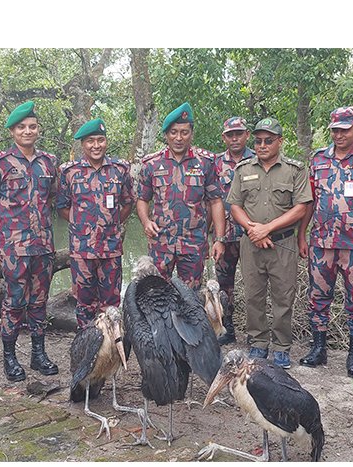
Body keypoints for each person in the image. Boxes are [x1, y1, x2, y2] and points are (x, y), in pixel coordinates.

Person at [297, 107, 353, 378]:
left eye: (345, 130)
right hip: (322, 242)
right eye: (335, 130)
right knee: (318, 298)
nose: (339, 135)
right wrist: (303, 234)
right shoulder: (319, 159)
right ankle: (319, 348)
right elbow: (310, 201)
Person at [0, 101, 59, 382]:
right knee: (13, 303)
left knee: (39, 302)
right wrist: (2, 230)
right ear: (12, 131)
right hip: (14, 248)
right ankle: (10, 357)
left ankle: (38, 354)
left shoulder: (49, 162)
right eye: (22, 127)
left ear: (38, 130)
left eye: (32, 127)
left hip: (43, 246)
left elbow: (51, 199)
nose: (28, 131)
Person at [227, 117, 311, 368]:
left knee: (283, 297)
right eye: (259, 141)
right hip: (251, 244)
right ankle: (258, 343)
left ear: (280, 141)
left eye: (269, 140)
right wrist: (253, 229)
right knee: (253, 295)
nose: (263, 145)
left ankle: (282, 346)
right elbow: (235, 206)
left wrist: (267, 229)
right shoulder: (243, 170)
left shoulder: (295, 170)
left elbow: (301, 208)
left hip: (283, 245)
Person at [136, 102, 226, 290]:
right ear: (166, 134)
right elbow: (142, 199)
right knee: (157, 294)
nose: (178, 138)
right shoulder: (151, 164)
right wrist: (146, 222)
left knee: (191, 296)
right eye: (173, 132)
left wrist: (218, 239)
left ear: (191, 133)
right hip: (160, 242)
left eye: (184, 132)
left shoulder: (206, 162)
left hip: (193, 243)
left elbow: (216, 201)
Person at [56, 119, 134, 329]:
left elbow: (127, 203)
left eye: (100, 140)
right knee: (84, 304)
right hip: (82, 250)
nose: (96, 145)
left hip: (111, 249)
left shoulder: (120, 169)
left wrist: (112, 223)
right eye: (90, 141)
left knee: (111, 304)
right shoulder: (68, 172)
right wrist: (81, 224)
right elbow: (62, 206)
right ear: (82, 144)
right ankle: (87, 343)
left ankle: (110, 346)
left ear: (106, 142)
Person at [213, 116, 255, 344]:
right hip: (224, 236)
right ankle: (227, 329)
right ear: (224, 137)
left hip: (252, 235)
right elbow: (209, 201)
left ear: (246, 134)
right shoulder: (215, 163)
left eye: (239, 133)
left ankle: (254, 333)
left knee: (254, 285)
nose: (235, 138)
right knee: (223, 286)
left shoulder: (258, 160)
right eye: (230, 134)